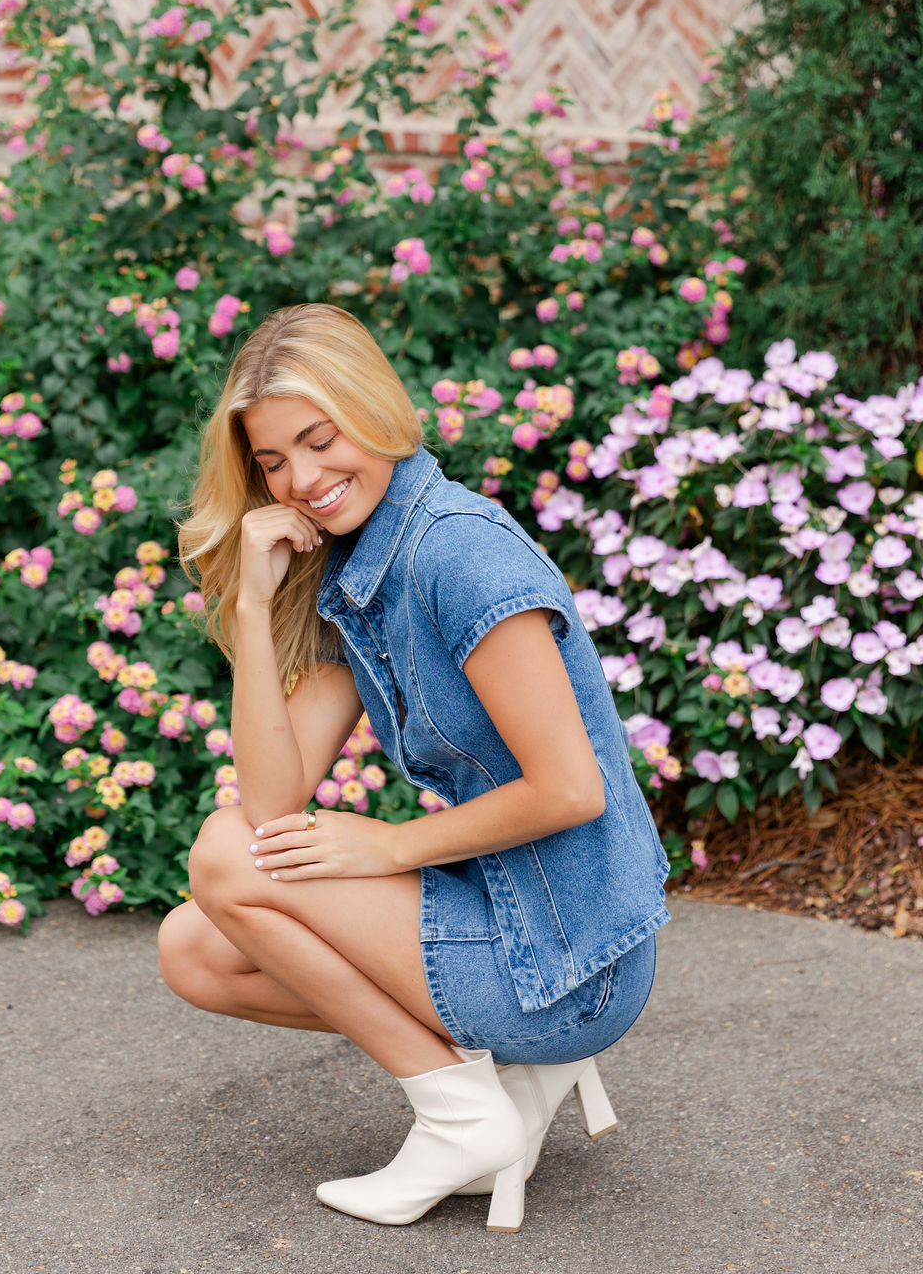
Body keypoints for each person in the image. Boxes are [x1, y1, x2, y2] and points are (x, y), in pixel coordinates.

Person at [158, 302, 669, 1231]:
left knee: (228, 862)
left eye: (320, 440)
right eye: (273, 461)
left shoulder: (456, 553)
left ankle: (460, 1111)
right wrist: (248, 604)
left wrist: (388, 847)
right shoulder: (367, 566)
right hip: (509, 914)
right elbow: (271, 800)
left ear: (376, 406)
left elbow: (569, 787)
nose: (302, 479)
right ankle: (487, 1087)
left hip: (571, 957)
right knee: (195, 950)